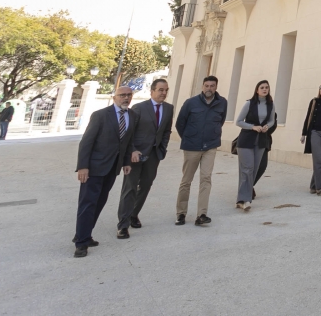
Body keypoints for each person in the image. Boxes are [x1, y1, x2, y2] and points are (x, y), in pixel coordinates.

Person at [72, 86, 134, 257]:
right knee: (88, 204)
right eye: (122, 95)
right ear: (114, 97)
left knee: (99, 203)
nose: (126, 98)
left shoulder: (132, 116)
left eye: (129, 95)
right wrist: (83, 166)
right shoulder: (100, 115)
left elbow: (127, 142)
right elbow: (86, 142)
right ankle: (81, 244)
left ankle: (84, 234)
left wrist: (126, 162)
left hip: (112, 168)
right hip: (94, 168)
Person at [116, 78, 174, 237]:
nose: (164, 93)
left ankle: (134, 214)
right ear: (152, 91)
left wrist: (162, 148)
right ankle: (123, 224)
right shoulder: (139, 108)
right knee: (130, 188)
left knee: (146, 186)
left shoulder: (169, 109)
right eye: (160, 90)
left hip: (154, 155)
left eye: (166, 90)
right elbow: (129, 132)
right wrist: (132, 150)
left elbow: (167, 131)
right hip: (136, 155)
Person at [174, 75, 227, 226]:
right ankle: (181, 213)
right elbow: (180, 123)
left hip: (210, 146)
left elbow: (221, 121)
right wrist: (190, 138)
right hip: (192, 147)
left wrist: (213, 133)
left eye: (212, 86)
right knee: (186, 181)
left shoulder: (222, 102)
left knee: (206, 179)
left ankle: (201, 214)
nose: (209, 88)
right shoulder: (191, 103)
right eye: (206, 85)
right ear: (202, 87)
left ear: (216, 87)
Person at [234, 80, 275, 211]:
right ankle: (244, 200)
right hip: (246, 140)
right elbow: (239, 122)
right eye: (262, 87)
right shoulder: (249, 103)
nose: (264, 89)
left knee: (254, 170)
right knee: (247, 169)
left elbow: (272, 120)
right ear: (257, 90)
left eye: (267, 87)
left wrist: (267, 127)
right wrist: (253, 127)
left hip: (261, 141)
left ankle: (242, 199)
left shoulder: (271, 104)